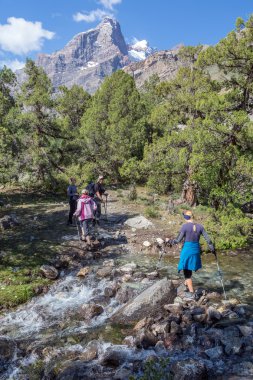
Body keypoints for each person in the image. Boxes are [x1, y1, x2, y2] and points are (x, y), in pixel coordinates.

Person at [166, 210, 215, 300]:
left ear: (185, 217)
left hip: (187, 250)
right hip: (196, 250)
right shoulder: (200, 226)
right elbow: (208, 240)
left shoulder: (185, 226)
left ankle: (192, 294)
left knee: (186, 272)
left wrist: (169, 241)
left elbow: (177, 241)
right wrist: (212, 249)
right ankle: (186, 284)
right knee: (190, 267)